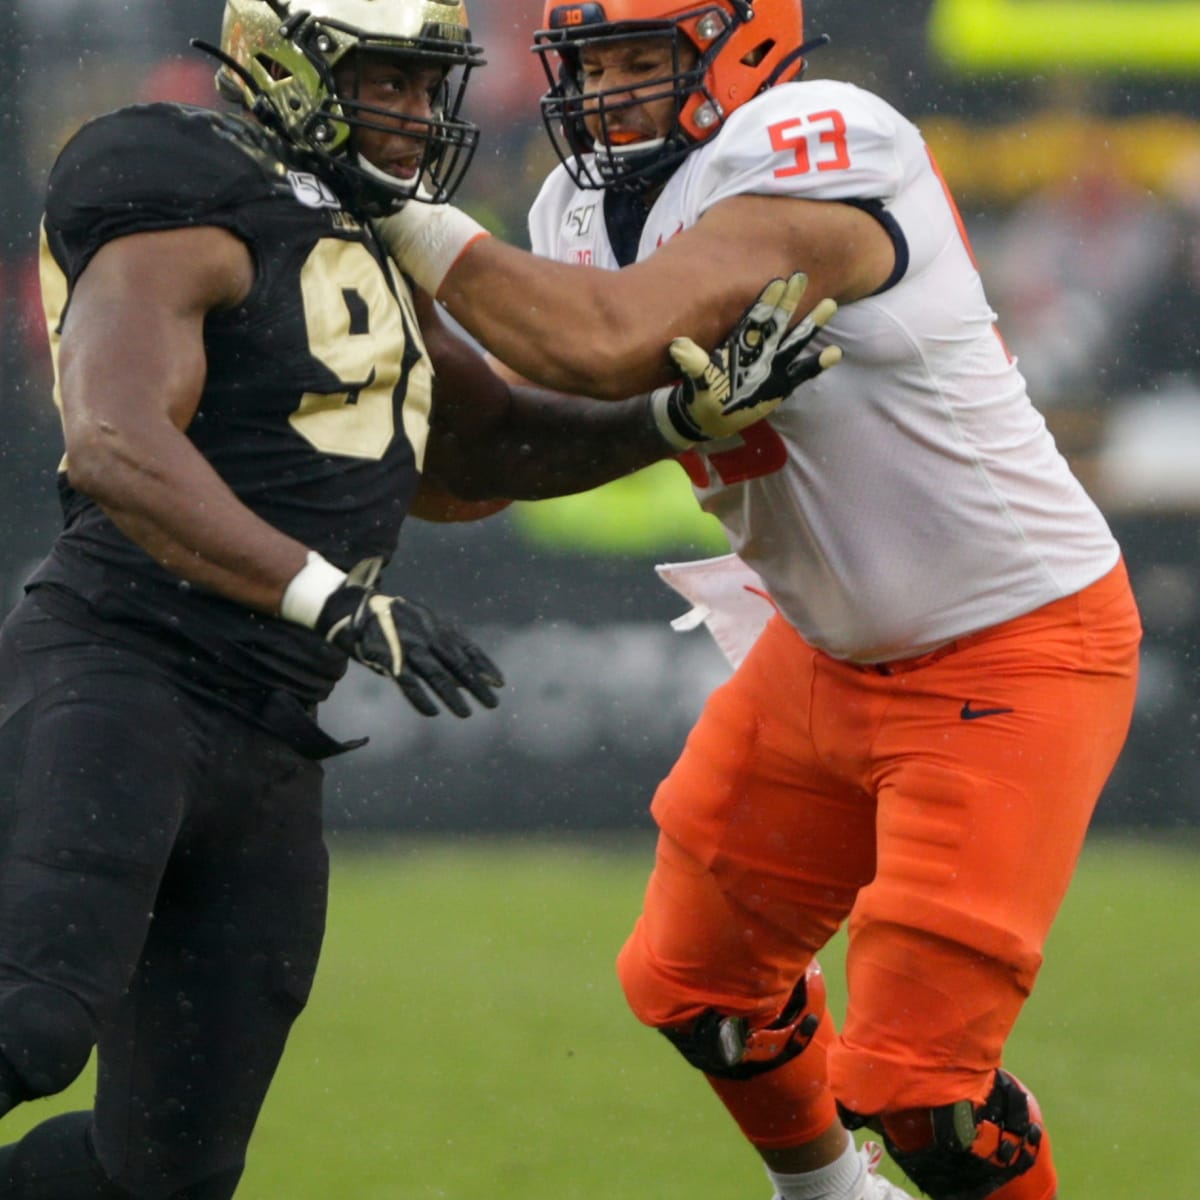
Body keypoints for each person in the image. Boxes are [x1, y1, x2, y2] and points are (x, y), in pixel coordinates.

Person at [0, 0, 839, 1194]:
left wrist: (671, 421)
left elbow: (482, 453)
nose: (413, 114)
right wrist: (326, 594)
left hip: (269, 727)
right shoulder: (179, 176)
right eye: (383, 80)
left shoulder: (371, 230)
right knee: (28, 1024)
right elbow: (114, 441)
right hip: (122, 668)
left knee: (164, 1173)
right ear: (283, 65)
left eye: (425, 82)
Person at [372, 1, 1144, 1198]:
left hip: (1009, 648)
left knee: (923, 1097)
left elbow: (610, 340)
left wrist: (404, 219)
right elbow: (495, 462)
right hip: (822, 650)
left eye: (643, 60)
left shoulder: (824, 138)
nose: (611, 92)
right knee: (696, 987)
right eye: (593, 65)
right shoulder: (575, 211)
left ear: (744, 47)